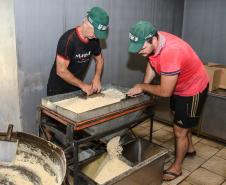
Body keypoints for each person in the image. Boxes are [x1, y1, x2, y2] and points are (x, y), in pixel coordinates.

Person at [127, 21, 209, 181]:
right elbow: (152, 62)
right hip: (177, 86)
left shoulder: (172, 52)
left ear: (153, 40)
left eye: (141, 48)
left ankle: (177, 167)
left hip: (193, 89)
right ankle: (189, 148)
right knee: (180, 119)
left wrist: (143, 87)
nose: (139, 52)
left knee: (180, 130)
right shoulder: (156, 41)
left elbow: (165, 91)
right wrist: (146, 84)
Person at [47, 6, 109, 96]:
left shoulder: (94, 40)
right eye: (95, 32)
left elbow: (99, 60)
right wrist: (83, 85)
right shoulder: (68, 40)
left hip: (76, 87)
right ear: (86, 23)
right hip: (58, 89)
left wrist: (97, 77)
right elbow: (61, 71)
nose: (96, 36)